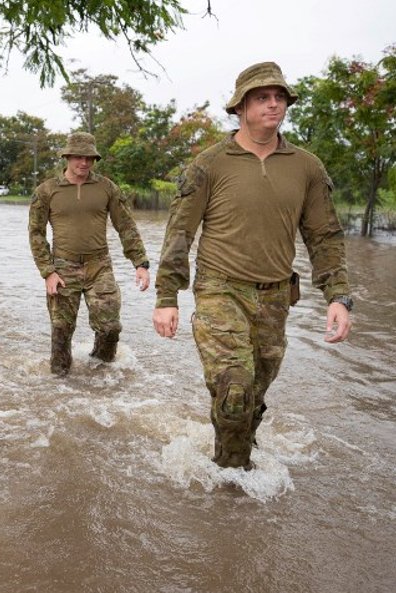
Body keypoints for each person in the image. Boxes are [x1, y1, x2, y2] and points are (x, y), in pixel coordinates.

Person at [152, 62, 352, 470]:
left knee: (255, 394)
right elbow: (179, 234)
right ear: (240, 107)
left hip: (276, 295)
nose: (273, 104)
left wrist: (338, 296)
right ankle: (232, 480)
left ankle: (237, 446)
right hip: (219, 289)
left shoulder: (306, 167)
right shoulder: (210, 164)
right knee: (235, 389)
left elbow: (324, 236)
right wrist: (166, 295)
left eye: (279, 97)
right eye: (262, 97)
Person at [28, 132, 150, 375]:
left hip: (99, 266)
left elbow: (125, 226)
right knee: (61, 329)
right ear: (67, 157)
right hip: (62, 267)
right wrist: (48, 272)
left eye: (89, 158)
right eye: (78, 157)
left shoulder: (107, 188)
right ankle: (60, 386)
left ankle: (100, 372)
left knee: (110, 327)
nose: (84, 163)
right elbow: (36, 234)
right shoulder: (47, 190)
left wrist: (140, 263)